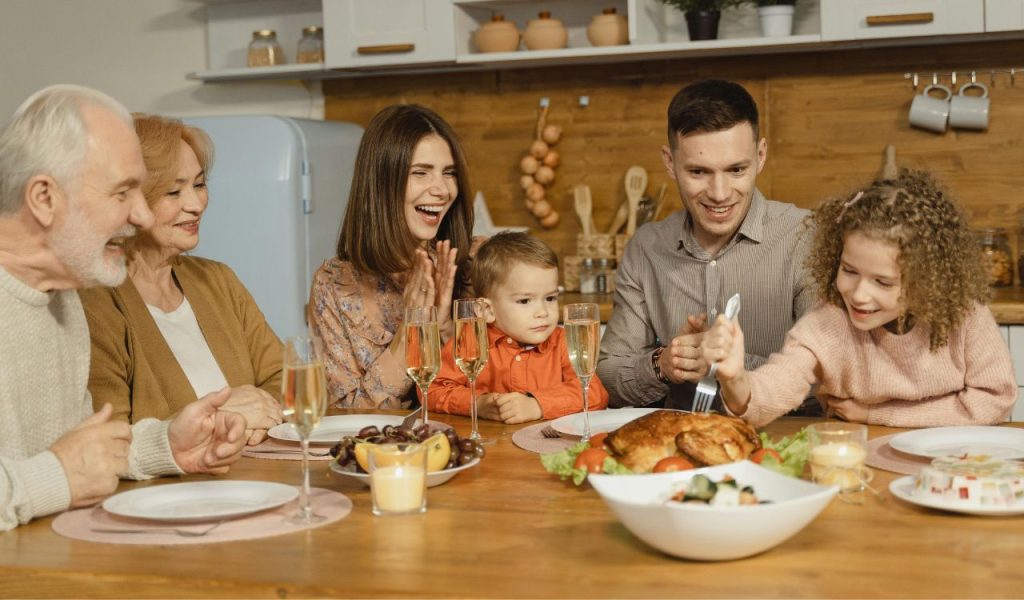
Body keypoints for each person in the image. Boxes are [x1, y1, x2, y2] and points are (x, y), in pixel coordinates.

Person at [0, 85, 246, 531]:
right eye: (122, 193)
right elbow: (61, 470)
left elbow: (80, 454)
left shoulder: (63, 299)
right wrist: (55, 477)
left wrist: (166, 446)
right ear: (43, 198)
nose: (143, 216)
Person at [701, 169, 1017, 427]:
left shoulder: (964, 315)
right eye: (849, 270)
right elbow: (776, 386)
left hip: (954, 460)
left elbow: (994, 401)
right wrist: (736, 381)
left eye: (883, 281)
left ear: (927, 280)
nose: (859, 295)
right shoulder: (828, 322)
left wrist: (874, 415)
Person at [597, 79, 815, 411]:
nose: (719, 193)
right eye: (698, 171)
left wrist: (733, 369)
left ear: (760, 155)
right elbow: (606, 377)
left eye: (736, 169)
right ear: (670, 163)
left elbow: (832, 377)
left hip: (780, 444)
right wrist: (664, 364)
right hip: (676, 447)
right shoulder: (646, 247)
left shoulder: (804, 237)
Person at [79, 114, 283, 446]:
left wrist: (255, 418)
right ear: (128, 201)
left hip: (250, 482)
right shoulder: (93, 303)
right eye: (173, 192)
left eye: (199, 185)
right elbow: (110, 438)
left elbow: (283, 379)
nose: (196, 204)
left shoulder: (218, 279)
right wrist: (224, 419)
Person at [308, 104, 475, 409]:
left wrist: (445, 331)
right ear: (381, 183)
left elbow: (501, 384)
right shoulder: (332, 285)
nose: (441, 189)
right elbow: (348, 411)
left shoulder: (469, 266)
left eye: (448, 174)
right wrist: (411, 332)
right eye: (421, 173)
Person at [429, 232, 609, 424]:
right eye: (525, 301)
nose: (542, 312)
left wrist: (537, 405)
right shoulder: (470, 341)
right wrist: (477, 403)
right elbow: (433, 390)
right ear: (487, 310)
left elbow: (595, 393)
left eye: (550, 298)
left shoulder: (562, 342)